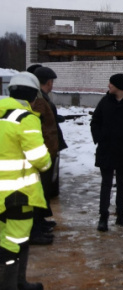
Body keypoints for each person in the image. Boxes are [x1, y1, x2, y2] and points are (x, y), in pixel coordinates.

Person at [0, 72, 52, 290]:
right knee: (14, 243)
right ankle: (12, 285)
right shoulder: (25, 118)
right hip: (18, 195)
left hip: (3, 195)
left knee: (5, 239)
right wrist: (47, 163)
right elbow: (40, 159)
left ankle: (18, 282)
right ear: (33, 96)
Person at [90, 73, 123, 232]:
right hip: (106, 149)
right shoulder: (105, 101)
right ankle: (103, 216)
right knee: (106, 183)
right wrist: (99, 138)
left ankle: (121, 215)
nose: (108, 86)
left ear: (119, 86)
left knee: (122, 183)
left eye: (111, 84)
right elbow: (95, 122)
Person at [29, 67, 64, 245]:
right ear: (48, 82)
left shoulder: (42, 98)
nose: (52, 84)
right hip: (43, 151)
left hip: (48, 150)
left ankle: (40, 221)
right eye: (52, 81)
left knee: (44, 190)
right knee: (40, 190)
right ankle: (35, 227)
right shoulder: (40, 100)